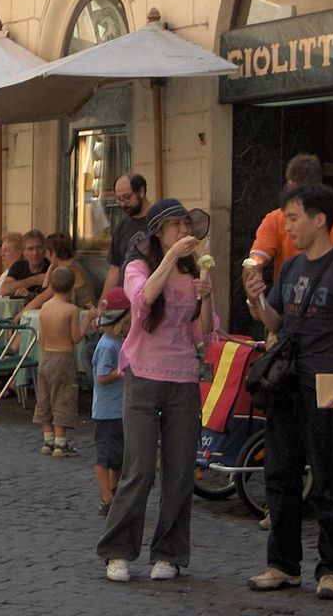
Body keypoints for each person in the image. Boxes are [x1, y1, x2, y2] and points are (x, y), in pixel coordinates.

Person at [243, 183, 333, 601]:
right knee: (279, 476)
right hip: (286, 385)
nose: (287, 226)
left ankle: (332, 570)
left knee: (328, 480)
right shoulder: (291, 267)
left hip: (326, 386)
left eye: (293, 217)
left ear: (319, 219)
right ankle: (282, 564)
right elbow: (276, 321)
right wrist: (258, 301)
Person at [98, 198, 216, 583]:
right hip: (145, 378)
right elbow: (141, 301)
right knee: (140, 468)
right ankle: (117, 551)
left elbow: (203, 334)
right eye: (177, 226)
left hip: (183, 379)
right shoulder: (138, 267)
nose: (185, 232)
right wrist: (168, 262)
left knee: (180, 471)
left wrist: (207, 294)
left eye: (187, 225)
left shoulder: (194, 270)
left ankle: (169, 553)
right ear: (158, 234)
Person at [250, 153, 333, 289]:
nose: (288, 227)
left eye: (293, 218)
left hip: (292, 304)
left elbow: (255, 261)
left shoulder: (276, 219)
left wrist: (255, 299)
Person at [34, 267, 92, 458]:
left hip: (46, 357)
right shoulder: (71, 310)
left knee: (45, 397)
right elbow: (76, 338)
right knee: (63, 397)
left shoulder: (45, 307)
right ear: (73, 287)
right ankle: (60, 442)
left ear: (50, 285)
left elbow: (41, 338)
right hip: (63, 358)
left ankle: (47, 439)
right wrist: (88, 320)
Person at [92, 288, 131, 515]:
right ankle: (106, 497)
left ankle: (115, 490)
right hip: (107, 411)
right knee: (105, 456)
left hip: (119, 409)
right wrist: (122, 371)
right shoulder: (108, 346)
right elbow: (102, 377)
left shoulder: (118, 342)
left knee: (120, 456)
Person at [103, 173, 149, 297]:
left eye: (127, 197)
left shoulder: (159, 222)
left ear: (141, 192)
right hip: (124, 300)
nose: (122, 204)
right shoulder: (121, 227)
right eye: (118, 199)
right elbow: (114, 269)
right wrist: (104, 303)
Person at [24, 232, 95, 312]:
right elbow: (44, 293)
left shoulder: (67, 270)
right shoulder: (70, 265)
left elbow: (43, 297)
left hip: (83, 315)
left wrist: (18, 316)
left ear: (53, 253)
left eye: (47, 252)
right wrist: (49, 270)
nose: (46, 255)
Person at [1, 229, 49, 298]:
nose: (35, 253)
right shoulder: (19, 266)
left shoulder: (50, 268)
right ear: (24, 252)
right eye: (30, 249)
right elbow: (5, 289)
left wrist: (30, 294)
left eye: (38, 248)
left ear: (44, 250)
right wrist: (35, 280)